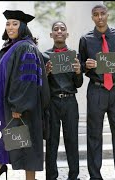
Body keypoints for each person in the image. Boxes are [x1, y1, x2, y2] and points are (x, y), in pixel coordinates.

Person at [0, 10, 50, 180]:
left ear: (22, 26)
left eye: (14, 24)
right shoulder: (11, 46)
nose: (10, 27)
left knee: (27, 145)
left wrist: (19, 106)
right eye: (8, 24)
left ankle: (29, 178)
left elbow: (27, 80)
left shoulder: (26, 47)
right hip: (4, 103)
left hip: (20, 106)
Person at [78, 4, 115, 180]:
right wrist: (86, 65)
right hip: (97, 90)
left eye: (102, 14)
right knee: (94, 135)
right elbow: (81, 65)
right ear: (92, 17)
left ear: (107, 15)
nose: (100, 17)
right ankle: (95, 177)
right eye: (96, 15)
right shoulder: (85, 39)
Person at [43, 21, 82, 180]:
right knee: (51, 141)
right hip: (52, 102)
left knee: (72, 140)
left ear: (67, 34)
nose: (59, 31)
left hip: (70, 101)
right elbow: (41, 85)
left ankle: (74, 176)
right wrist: (45, 73)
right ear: (51, 34)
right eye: (56, 29)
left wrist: (79, 72)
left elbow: (78, 84)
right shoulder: (44, 56)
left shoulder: (75, 55)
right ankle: (51, 176)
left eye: (63, 29)